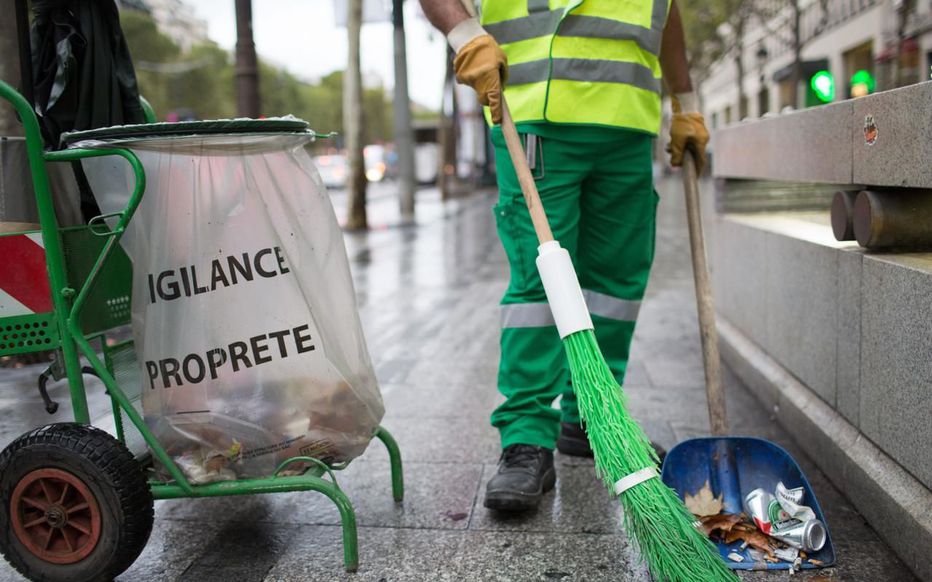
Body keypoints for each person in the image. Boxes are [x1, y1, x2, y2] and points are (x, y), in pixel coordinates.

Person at [419, 0, 710, 512]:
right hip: (537, 114)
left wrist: (685, 101)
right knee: (540, 287)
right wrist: (464, 33)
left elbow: (666, 13)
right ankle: (525, 438)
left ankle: (591, 420)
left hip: (628, 125)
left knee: (616, 285)